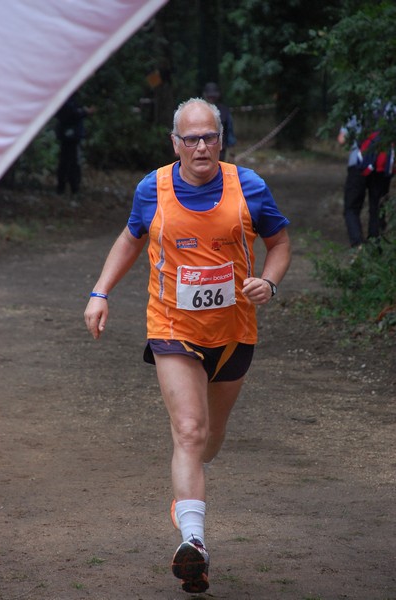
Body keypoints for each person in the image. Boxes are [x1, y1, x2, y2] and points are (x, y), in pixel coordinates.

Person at [84, 98, 291, 594]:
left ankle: (187, 498)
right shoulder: (151, 188)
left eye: (209, 137)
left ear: (221, 140)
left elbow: (280, 242)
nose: (200, 146)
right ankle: (193, 543)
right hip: (172, 326)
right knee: (190, 430)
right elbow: (131, 238)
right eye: (190, 138)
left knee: (210, 440)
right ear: (174, 143)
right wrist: (100, 291)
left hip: (235, 329)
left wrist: (269, 281)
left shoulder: (249, 186)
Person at [337, 109, 394, 248]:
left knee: (351, 208)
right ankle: (376, 248)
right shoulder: (391, 107)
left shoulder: (356, 107)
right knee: (378, 207)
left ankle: (358, 246)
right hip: (382, 165)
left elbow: (342, 139)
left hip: (358, 164)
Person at [55, 93, 95, 195]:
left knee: (67, 161)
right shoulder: (67, 99)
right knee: (71, 161)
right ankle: (71, 188)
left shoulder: (69, 98)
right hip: (70, 134)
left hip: (69, 133)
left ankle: (66, 187)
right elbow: (71, 113)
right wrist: (85, 112)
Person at [203, 82, 236, 161]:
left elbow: (230, 132)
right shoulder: (200, 110)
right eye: (209, 97)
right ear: (205, 96)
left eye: (213, 97)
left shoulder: (224, 111)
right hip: (202, 149)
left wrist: (232, 153)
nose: (211, 99)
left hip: (220, 150)